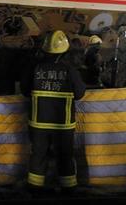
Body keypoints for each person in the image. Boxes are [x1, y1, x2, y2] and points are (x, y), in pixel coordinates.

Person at [24, 30, 86, 191]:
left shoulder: (35, 68)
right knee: (65, 156)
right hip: (63, 124)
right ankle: (69, 189)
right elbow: (79, 94)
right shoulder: (70, 70)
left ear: (45, 49)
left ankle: (34, 189)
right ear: (65, 51)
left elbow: (24, 91)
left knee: (38, 156)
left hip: (38, 122)